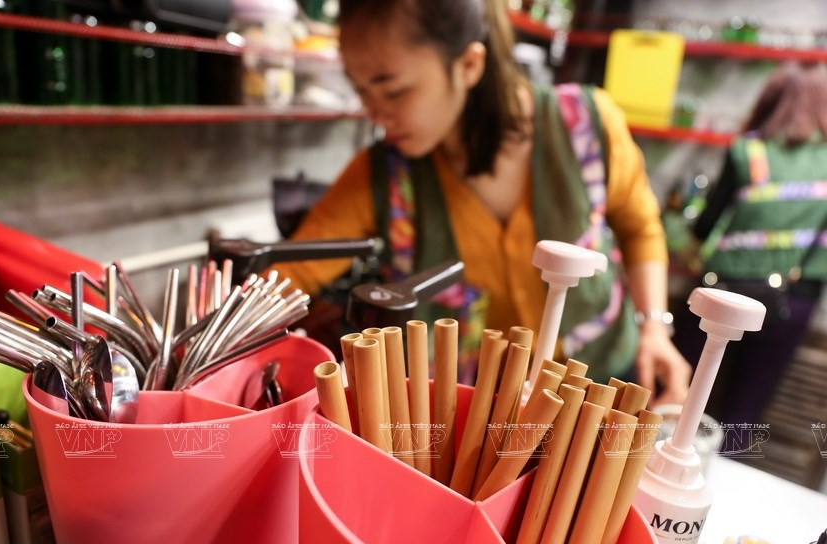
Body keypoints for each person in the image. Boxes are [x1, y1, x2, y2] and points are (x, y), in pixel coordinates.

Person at [273, 0, 690, 406]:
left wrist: (655, 328)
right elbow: (289, 274)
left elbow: (640, 229)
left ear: (470, 64)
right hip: (485, 417)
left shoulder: (586, 127)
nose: (376, 115)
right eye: (361, 91)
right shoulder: (383, 175)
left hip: (604, 390)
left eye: (393, 91)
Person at [691, 61, 827, 425]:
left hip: (723, 291)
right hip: (791, 301)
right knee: (743, 414)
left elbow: (705, 225)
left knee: (687, 396)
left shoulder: (749, 151)